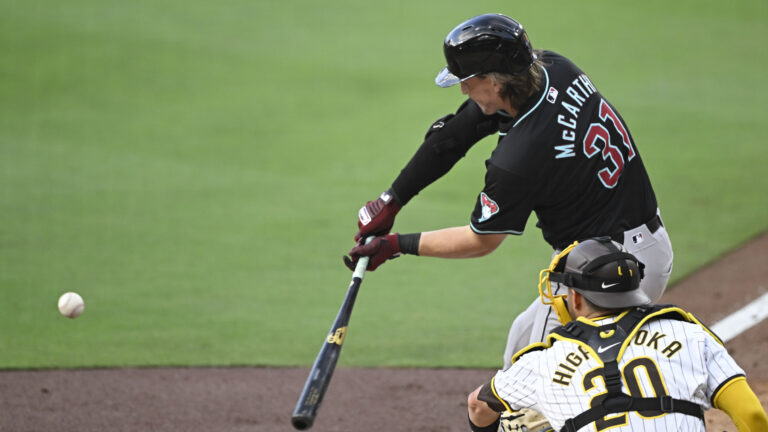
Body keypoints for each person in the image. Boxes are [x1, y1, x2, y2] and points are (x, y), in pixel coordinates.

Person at [343, 12, 674, 367]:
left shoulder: (520, 157)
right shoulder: (553, 69)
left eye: (467, 80)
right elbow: (454, 136)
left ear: (494, 81)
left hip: (603, 272)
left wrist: (396, 245)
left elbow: (481, 240)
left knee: (531, 394)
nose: (463, 89)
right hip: (638, 247)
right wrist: (391, 200)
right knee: (519, 347)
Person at [467, 238, 768, 432]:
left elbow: (478, 405)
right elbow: (752, 416)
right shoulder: (689, 333)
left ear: (576, 298)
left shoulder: (542, 363)